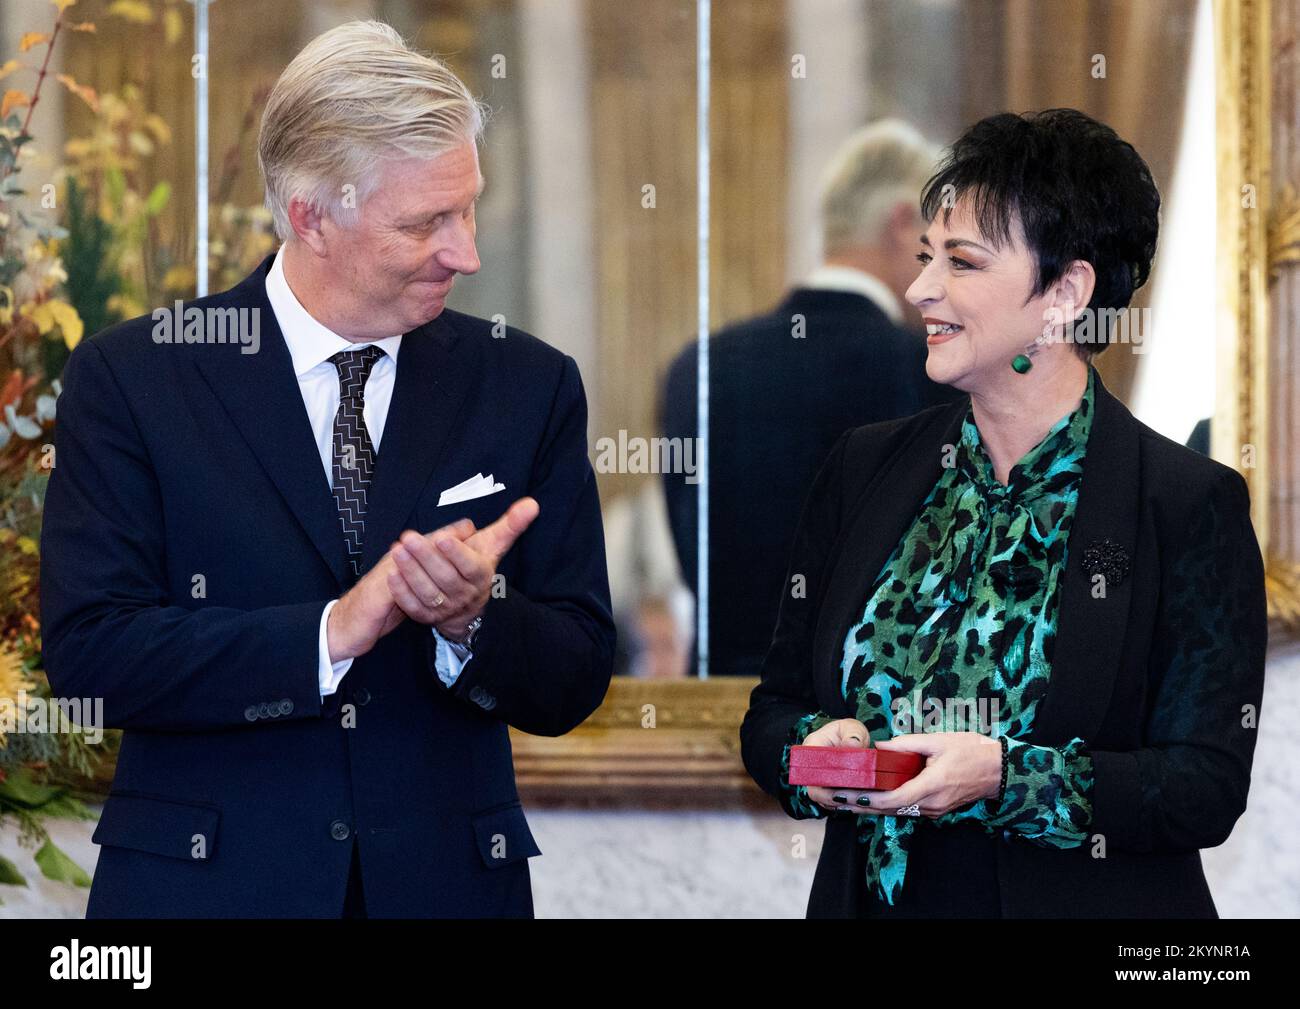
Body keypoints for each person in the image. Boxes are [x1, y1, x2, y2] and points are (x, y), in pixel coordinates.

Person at [40, 20, 614, 918]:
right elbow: (90, 660)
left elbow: (577, 670)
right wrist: (327, 633)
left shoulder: (527, 384)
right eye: (426, 222)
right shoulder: (137, 378)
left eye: (469, 208)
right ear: (311, 214)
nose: (465, 250)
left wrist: (473, 622)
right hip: (202, 892)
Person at [740, 108, 1267, 917]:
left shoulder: (1185, 502)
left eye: (961, 262)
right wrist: (810, 748)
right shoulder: (863, 468)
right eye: (924, 257)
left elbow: (1203, 785)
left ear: (1065, 293)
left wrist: (1005, 774)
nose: (920, 289)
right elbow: (770, 711)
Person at [662, 120, 959, 677]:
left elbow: (693, 557)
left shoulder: (699, 367)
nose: (942, 277)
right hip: (868, 718)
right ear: (900, 224)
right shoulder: (926, 369)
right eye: (940, 246)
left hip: (713, 708)